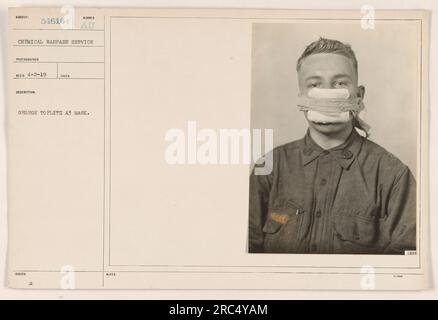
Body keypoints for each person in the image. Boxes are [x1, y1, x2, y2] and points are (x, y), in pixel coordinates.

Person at [248, 37, 416, 254]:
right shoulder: (269, 167)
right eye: (315, 84)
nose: (327, 96)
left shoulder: (394, 176)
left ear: (359, 94)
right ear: (301, 97)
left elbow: (406, 263)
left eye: (340, 83)